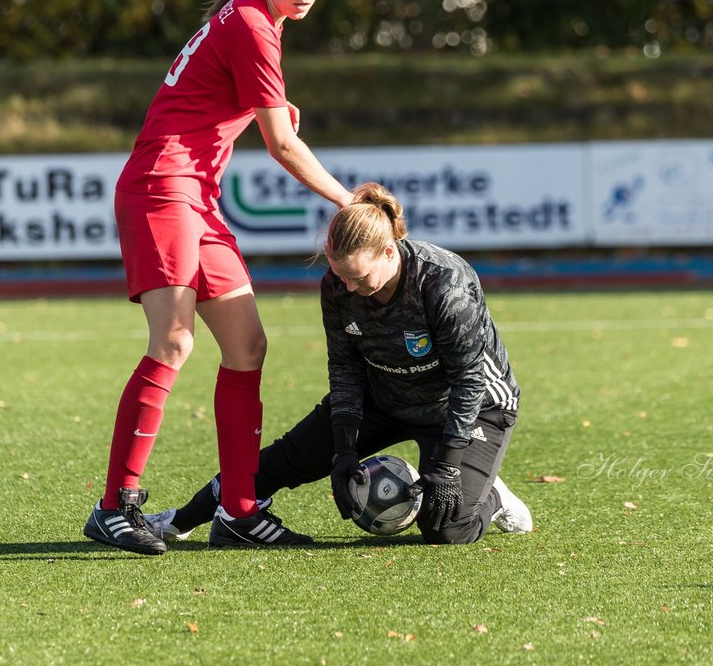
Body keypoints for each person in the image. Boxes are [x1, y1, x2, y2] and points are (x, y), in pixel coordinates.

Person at [83, 0, 354, 555]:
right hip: (161, 187)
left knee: (248, 347)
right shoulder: (256, 25)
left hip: (196, 198)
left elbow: (226, 93)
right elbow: (282, 147)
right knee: (173, 342)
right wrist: (350, 200)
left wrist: (271, 108)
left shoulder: (249, 11)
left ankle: (237, 510)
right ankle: (113, 506)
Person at [145, 183, 533, 546]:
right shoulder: (336, 285)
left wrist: (448, 464)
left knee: (446, 528)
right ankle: (179, 522)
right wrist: (344, 449)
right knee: (280, 463)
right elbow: (345, 368)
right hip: (381, 396)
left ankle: (492, 495)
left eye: (358, 277)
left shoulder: (443, 282)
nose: (348, 288)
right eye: (340, 275)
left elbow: (469, 379)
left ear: (388, 250)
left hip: (469, 406)